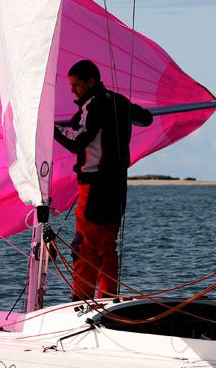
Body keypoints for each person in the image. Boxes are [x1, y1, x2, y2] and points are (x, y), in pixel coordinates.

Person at [54, 59, 153, 300]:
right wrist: (124, 112)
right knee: (106, 245)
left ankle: (82, 300)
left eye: (76, 85)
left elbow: (76, 140)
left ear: (91, 81)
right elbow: (146, 118)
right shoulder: (118, 101)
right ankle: (108, 298)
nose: (72, 91)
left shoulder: (93, 105)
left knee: (85, 244)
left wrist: (52, 128)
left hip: (95, 185)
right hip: (117, 187)